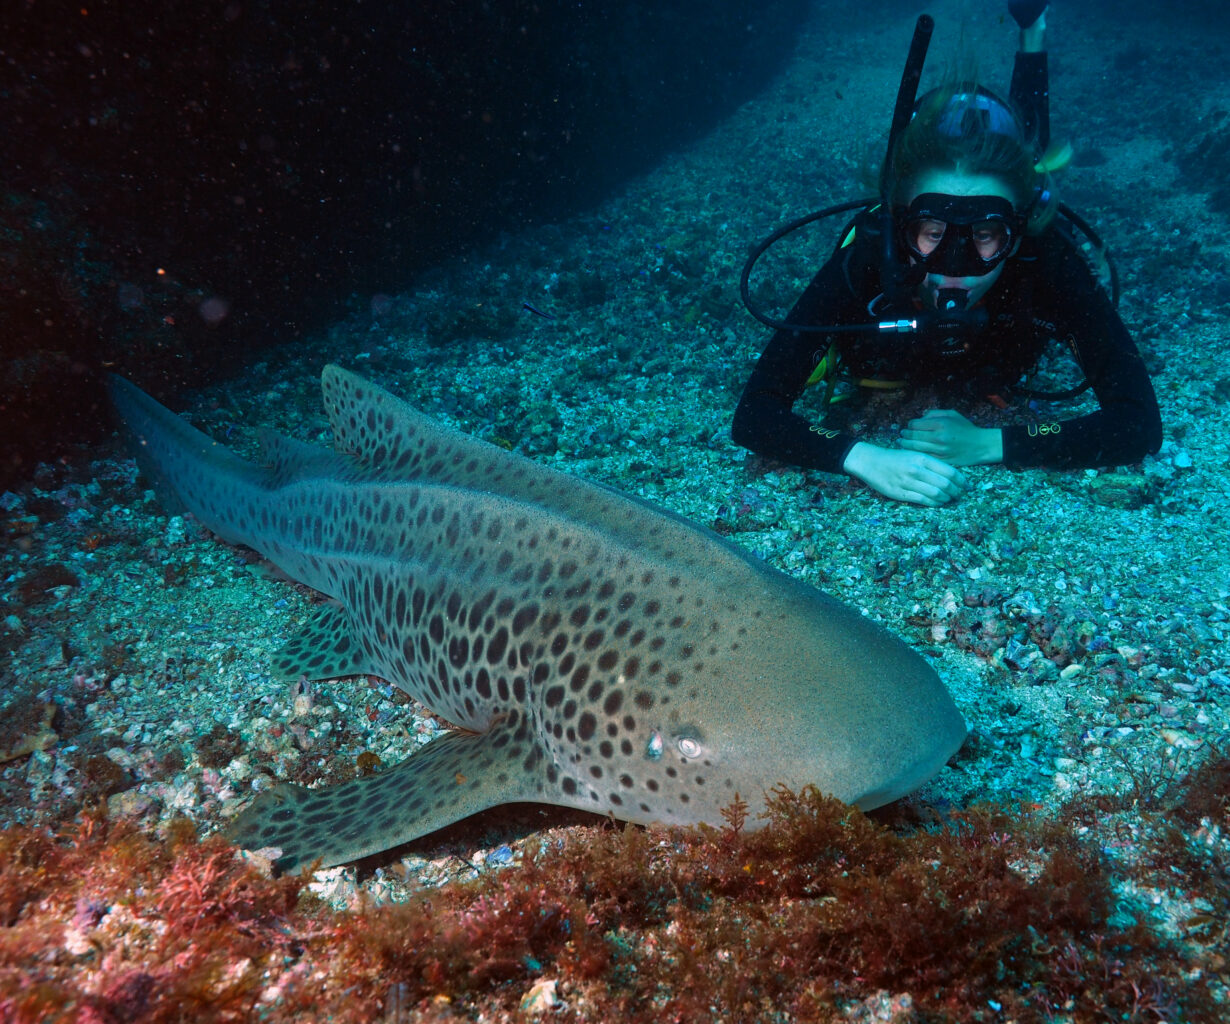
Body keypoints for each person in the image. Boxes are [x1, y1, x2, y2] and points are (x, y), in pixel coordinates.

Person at [731, 2, 1162, 507]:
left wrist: (992, 443)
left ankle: (1032, 31)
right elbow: (756, 413)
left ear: (1017, 235)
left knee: (1034, 155)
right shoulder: (875, 249)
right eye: (932, 230)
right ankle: (1033, 33)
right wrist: (864, 458)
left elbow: (1137, 423)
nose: (955, 262)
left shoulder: (1045, 257)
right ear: (900, 224)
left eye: (986, 233)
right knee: (1031, 151)